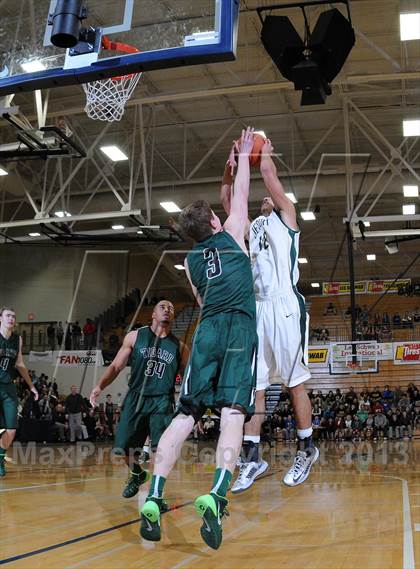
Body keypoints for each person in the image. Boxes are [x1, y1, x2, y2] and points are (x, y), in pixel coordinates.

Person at [140, 127, 258, 549]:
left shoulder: (190, 262)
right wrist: (244, 155)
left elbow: (201, 299)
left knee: (185, 414)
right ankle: (217, 492)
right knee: (232, 414)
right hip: (239, 328)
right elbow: (241, 192)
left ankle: (154, 495)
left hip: (206, 328)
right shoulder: (232, 232)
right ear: (214, 221)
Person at [220, 138, 318, 494]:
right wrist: (231, 163)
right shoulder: (252, 227)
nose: (264, 200)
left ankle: (307, 449)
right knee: (255, 388)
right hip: (257, 308)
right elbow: (229, 201)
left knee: (294, 383)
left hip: (285, 305)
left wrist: (260, 150)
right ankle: (252, 457)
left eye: (268, 199)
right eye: (261, 199)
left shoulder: (287, 217)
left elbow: (268, 173)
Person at [90, 300, 189, 499]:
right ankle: (137, 473)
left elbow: (189, 377)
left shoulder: (179, 347)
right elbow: (116, 366)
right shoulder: (135, 337)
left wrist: (189, 404)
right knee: (123, 449)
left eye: (171, 308)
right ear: (152, 314)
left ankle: (155, 495)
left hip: (162, 400)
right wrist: (100, 386)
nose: (167, 310)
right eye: (163, 307)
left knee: (159, 449)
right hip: (136, 397)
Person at [0, 307, 38, 476]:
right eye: (8, 315)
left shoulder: (17, 339)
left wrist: (31, 386)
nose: (11, 319)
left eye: (14, 316)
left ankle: (0, 457)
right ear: (0, 318)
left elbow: (20, 364)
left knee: (11, 430)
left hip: (8, 387)